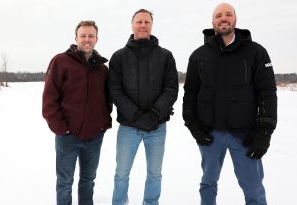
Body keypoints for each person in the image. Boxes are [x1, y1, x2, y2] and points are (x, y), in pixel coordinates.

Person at [182, 2, 277, 205]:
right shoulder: (198, 55)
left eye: (228, 14)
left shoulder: (256, 52)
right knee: (208, 183)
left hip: (245, 135)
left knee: (254, 188)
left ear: (235, 19)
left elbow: (267, 92)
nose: (223, 18)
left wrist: (265, 131)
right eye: (218, 15)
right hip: (210, 134)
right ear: (213, 22)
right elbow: (190, 94)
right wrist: (193, 126)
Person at [108, 9, 179, 205]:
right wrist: (137, 116)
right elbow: (115, 90)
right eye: (139, 21)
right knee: (122, 173)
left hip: (157, 128)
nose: (143, 25)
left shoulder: (165, 56)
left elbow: (171, 89)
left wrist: (155, 114)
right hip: (128, 127)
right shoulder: (119, 57)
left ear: (151, 25)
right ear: (132, 25)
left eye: (146, 22)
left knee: (155, 174)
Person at [42, 20, 112, 205]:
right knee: (65, 182)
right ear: (76, 38)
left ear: (96, 39)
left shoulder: (102, 69)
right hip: (68, 137)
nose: (87, 39)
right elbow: (49, 99)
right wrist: (61, 129)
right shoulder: (61, 61)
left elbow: (107, 99)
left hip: (95, 137)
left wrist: (103, 124)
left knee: (88, 181)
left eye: (91, 36)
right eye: (83, 35)